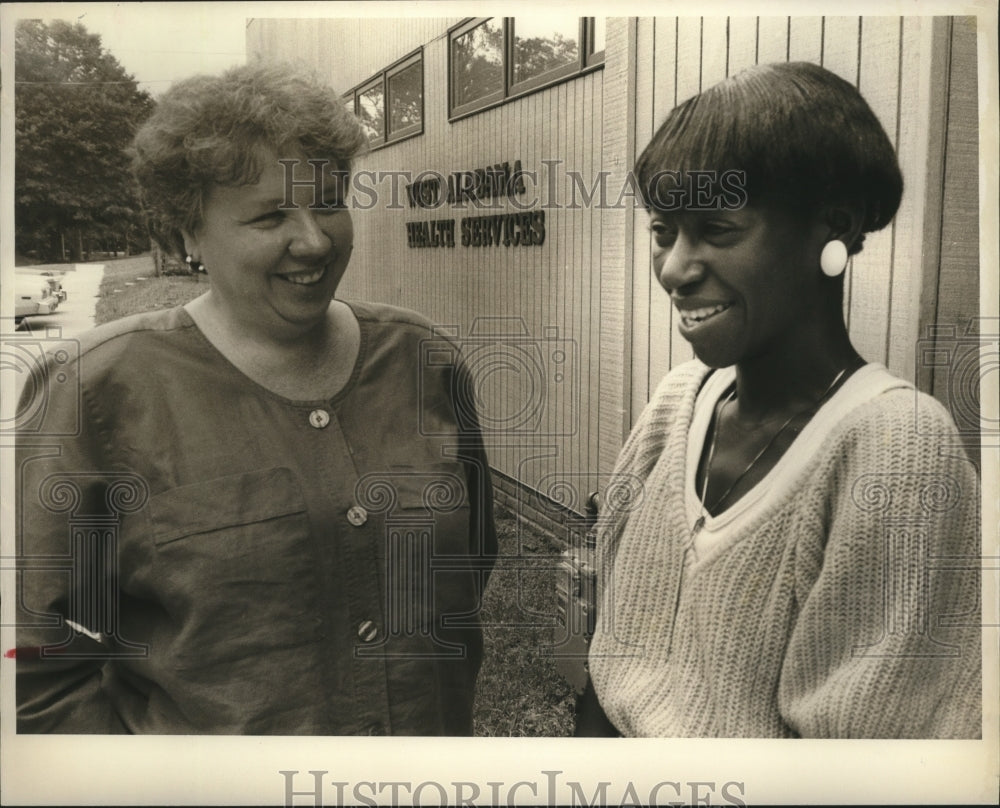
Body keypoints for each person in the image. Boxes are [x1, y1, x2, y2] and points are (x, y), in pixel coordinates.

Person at [15, 62, 496, 735]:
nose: (315, 240)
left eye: (328, 201)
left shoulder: (423, 359)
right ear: (188, 235)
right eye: (271, 215)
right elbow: (45, 672)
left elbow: (471, 562)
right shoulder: (94, 393)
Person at [577, 62, 981, 738]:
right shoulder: (677, 406)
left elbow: (868, 758)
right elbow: (608, 654)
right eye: (663, 229)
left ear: (834, 228)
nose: (675, 268)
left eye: (718, 228)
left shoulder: (896, 450)